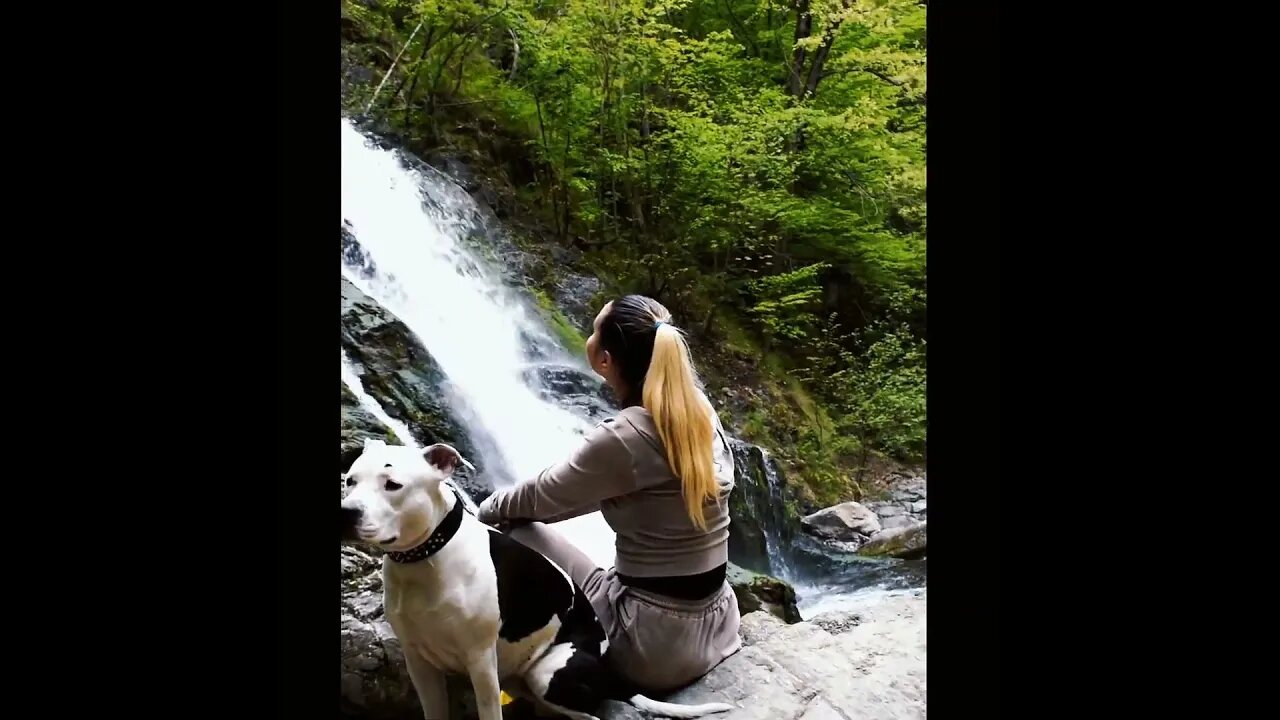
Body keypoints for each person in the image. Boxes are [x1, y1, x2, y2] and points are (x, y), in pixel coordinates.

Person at [476, 294, 741, 693]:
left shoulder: (624, 437)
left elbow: (540, 497)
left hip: (648, 646)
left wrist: (485, 510)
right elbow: (584, 496)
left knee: (514, 532)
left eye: (594, 326)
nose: (589, 333)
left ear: (605, 360)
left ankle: (512, 656)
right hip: (718, 624)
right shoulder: (697, 410)